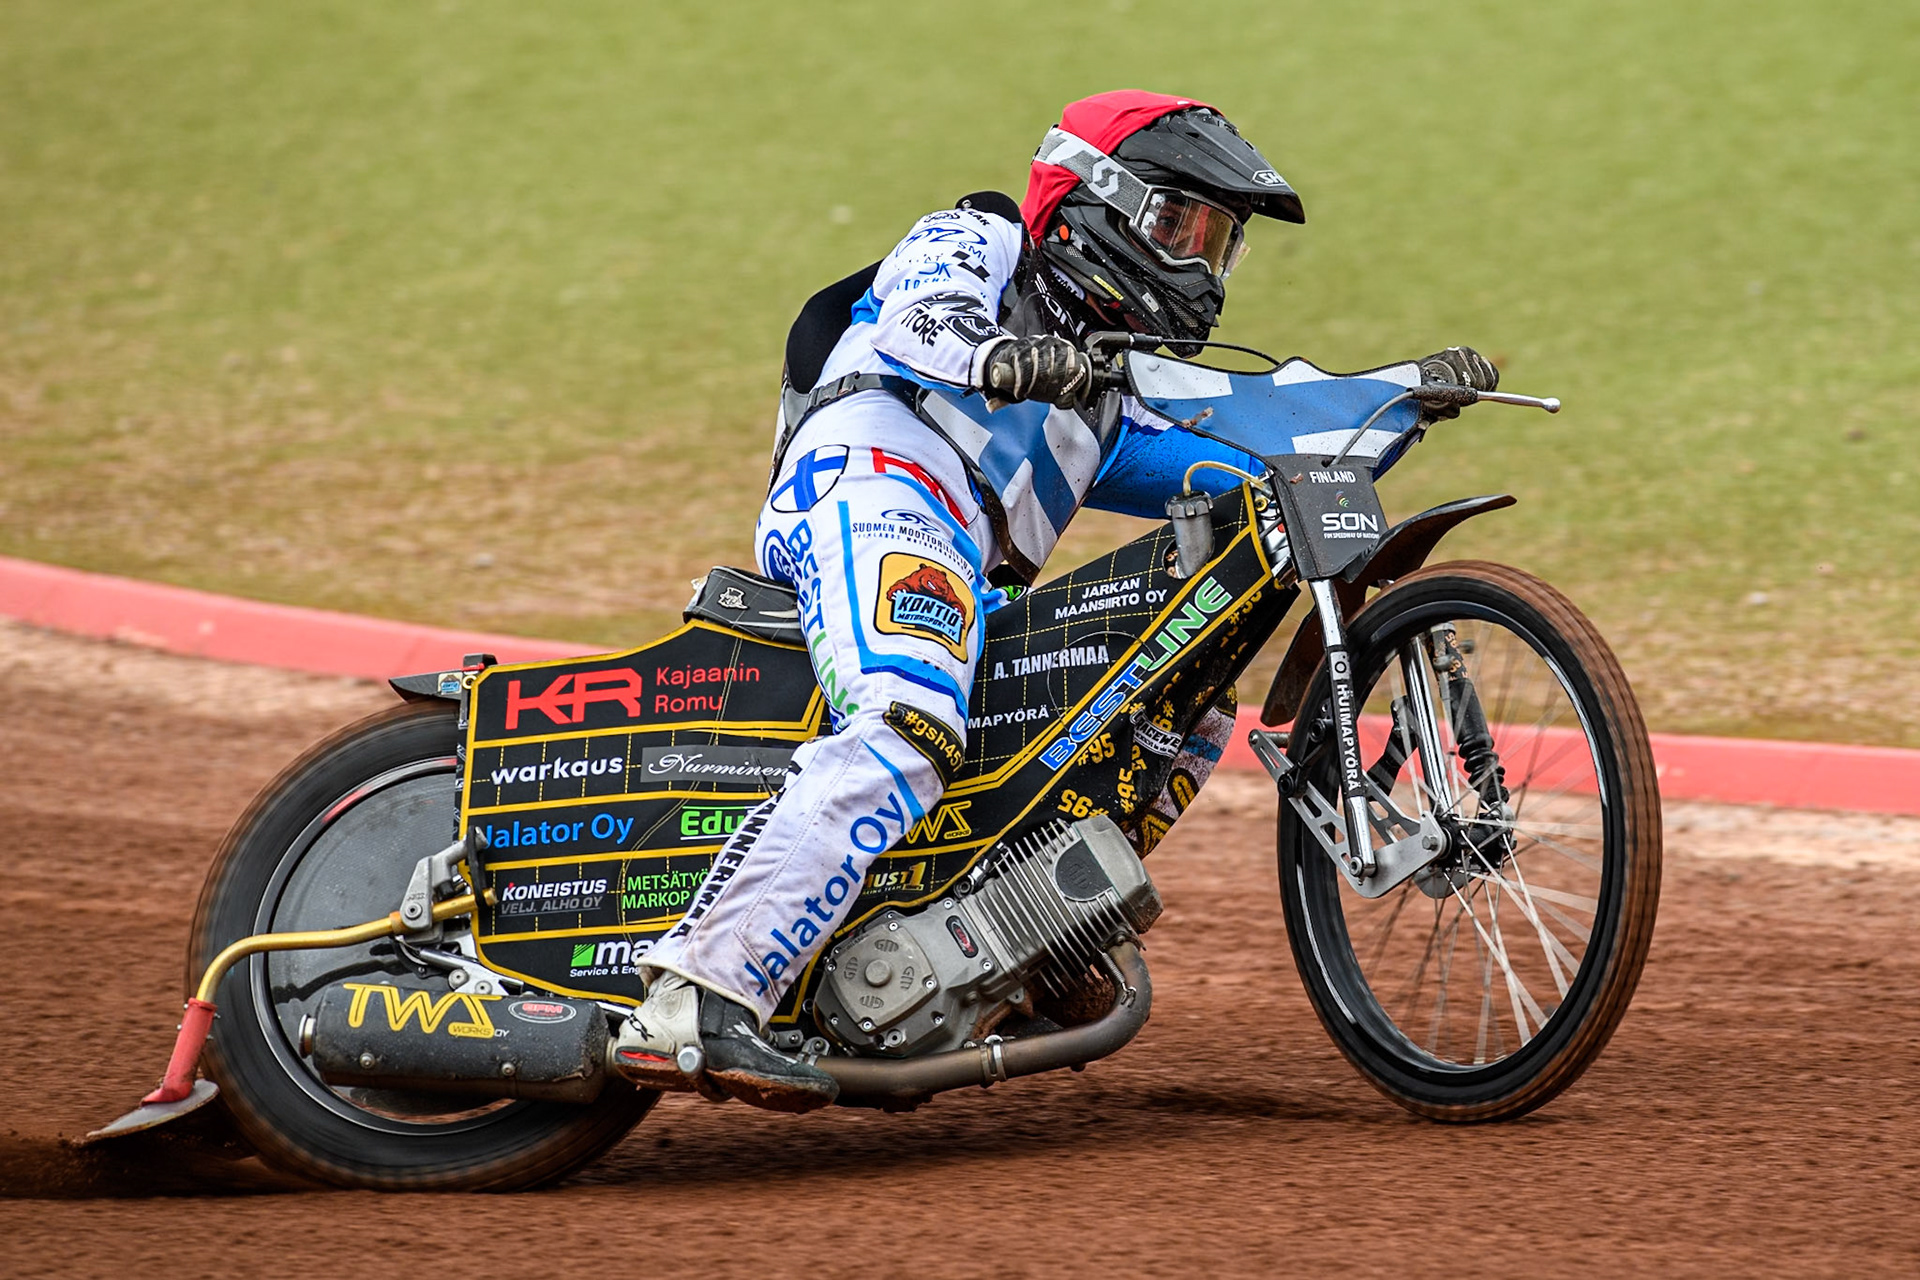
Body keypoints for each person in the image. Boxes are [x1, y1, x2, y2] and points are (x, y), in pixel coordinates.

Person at [611, 90, 1499, 1111]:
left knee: (1184, 691)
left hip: (967, 572)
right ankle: (698, 992)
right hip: (871, 486)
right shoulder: (983, 235)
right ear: (1091, 202)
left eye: (1220, 245)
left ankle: (1020, 937)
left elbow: (1262, 431)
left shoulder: (1109, 394)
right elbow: (921, 320)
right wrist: (1001, 356)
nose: (1201, 268)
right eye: (1179, 227)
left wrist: (1396, 396)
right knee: (907, 719)